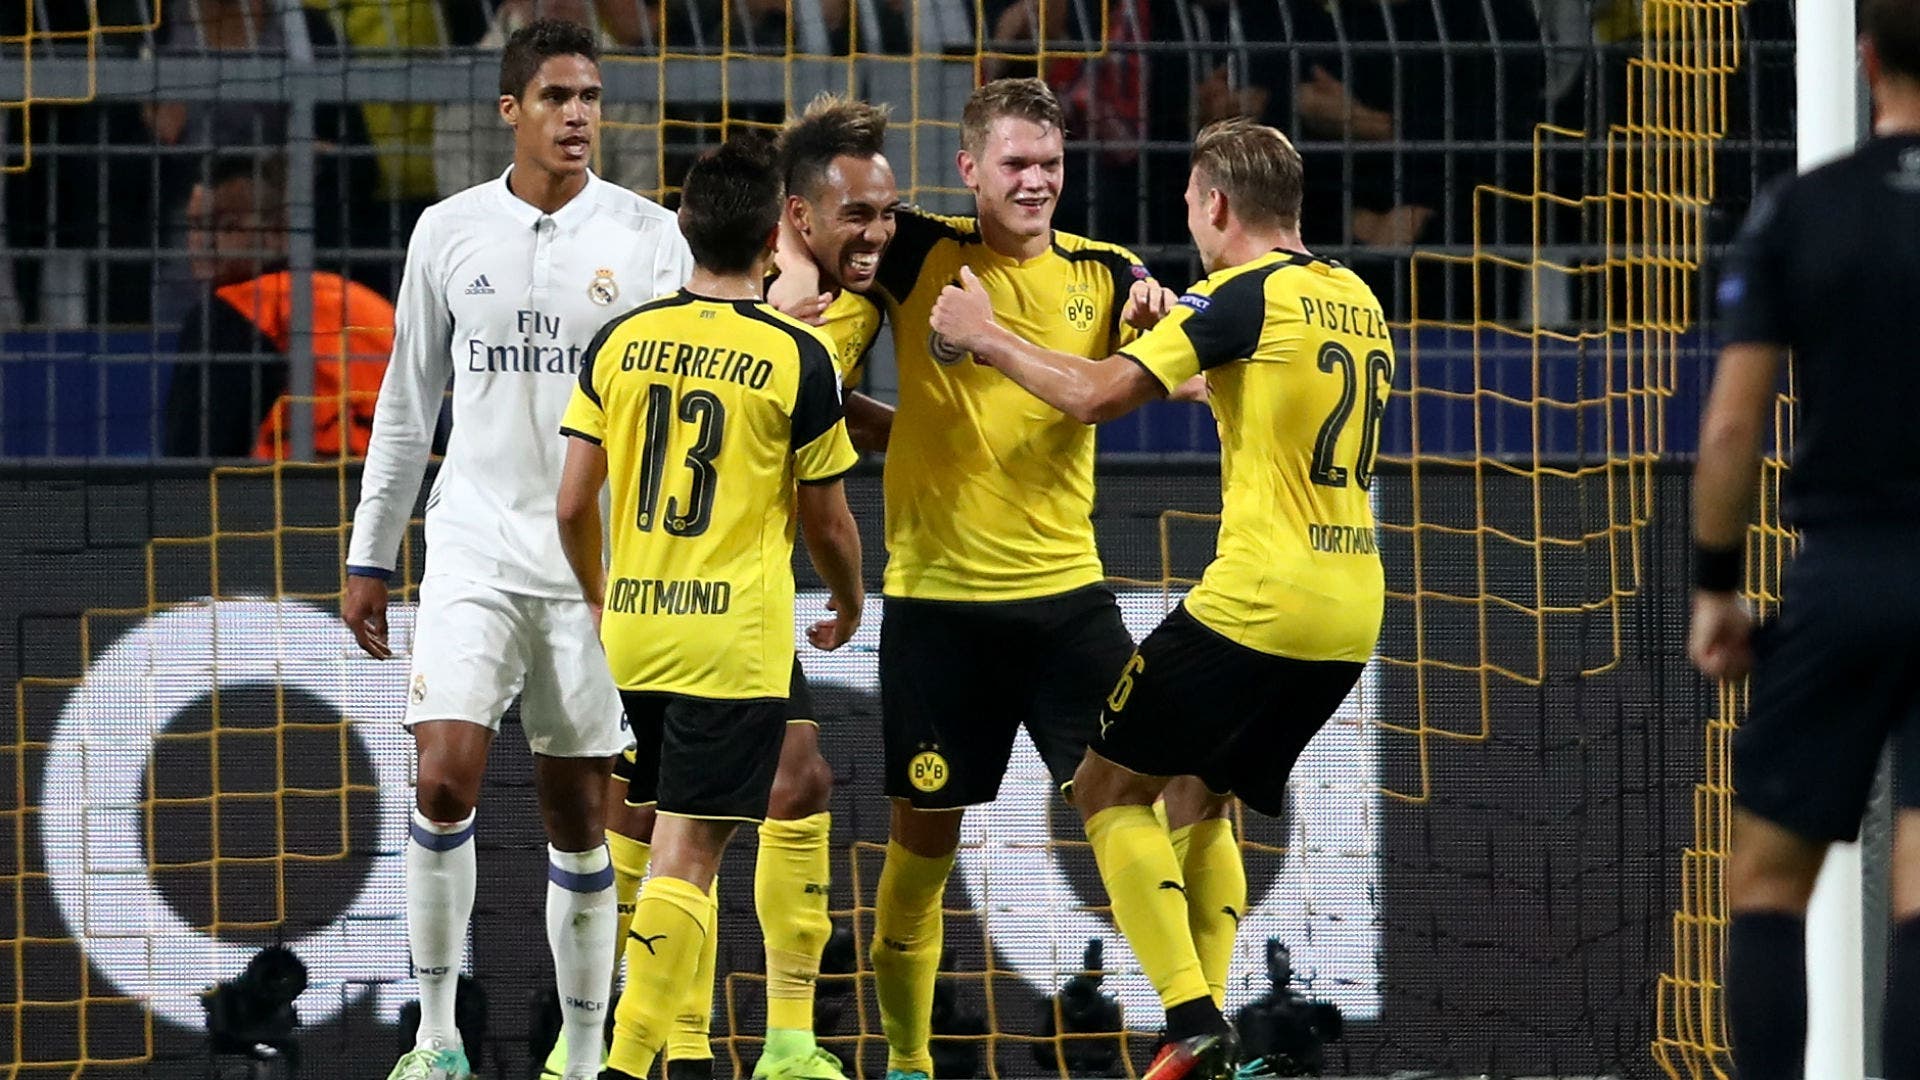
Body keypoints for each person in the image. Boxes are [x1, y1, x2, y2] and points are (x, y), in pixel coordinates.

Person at [928, 116, 1392, 1080]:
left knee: (1106, 785)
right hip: (1352, 611)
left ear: (1216, 205)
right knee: (1199, 791)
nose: (1189, 223)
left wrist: (987, 337)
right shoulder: (1353, 296)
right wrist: (1173, 331)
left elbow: (1096, 396)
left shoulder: (1240, 297)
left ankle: (1188, 1018)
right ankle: (1206, 1040)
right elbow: (1245, 364)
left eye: (1189, 206)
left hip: (1260, 601)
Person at [340, 20, 694, 1080]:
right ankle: (436, 1037)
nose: (578, 115)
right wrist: (370, 552)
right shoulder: (447, 231)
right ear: (510, 110)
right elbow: (408, 404)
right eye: (555, 97)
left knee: (579, 820)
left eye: (590, 97)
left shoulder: (650, 237)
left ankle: (580, 1055)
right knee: (443, 782)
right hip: (475, 543)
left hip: (596, 565)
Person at [569, 92, 903, 1080]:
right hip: (730, 635)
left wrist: (597, 596)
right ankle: (634, 1059)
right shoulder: (795, 349)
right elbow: (828, 519)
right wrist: (851, 597)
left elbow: (570, 501)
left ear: (683, 226)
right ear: (774, 237)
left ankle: (744, 1048)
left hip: (634, 628)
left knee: (754, 792)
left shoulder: (620, 341)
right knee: (687, 849)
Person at [858, 77, 1182, 1080]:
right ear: (969, 169)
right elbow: (819, 223)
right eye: (1015, 164)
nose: (1036, 182)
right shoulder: (918, 251)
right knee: (920, 852)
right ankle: (907, 1061)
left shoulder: (1108, 271)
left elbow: (1172, 349)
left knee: (1134, 794)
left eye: (1050, 163)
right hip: (937, 607)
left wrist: (1158, 303)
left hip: (1065, 601)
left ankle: (1190, 1014)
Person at [1687, 2, 1920, 1076]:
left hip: (1846, 576)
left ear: (1865, 59)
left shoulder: (1802, 209)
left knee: (1769, 885)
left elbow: (1733, 428)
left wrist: (1717, 587)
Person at [163, 153, 395, 459]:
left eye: (227, 227)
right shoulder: (373, 306)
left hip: (293, 484)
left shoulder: (233, 312)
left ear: (278, 234)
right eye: (195, 226)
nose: (204, 242)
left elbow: (192, 456)